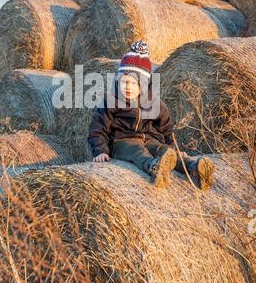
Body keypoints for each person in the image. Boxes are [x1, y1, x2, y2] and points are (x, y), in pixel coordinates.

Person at [88, 40, 214, 189]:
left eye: (134, 83)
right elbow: (97, 128)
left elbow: (166, 128)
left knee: (165, 151)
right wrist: (101, 151)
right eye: (124, 82)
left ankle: (194, 167)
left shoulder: (154, 103)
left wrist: (172, 147)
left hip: (148, 139)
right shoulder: (111, 101)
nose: (128, 87)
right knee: (137, 151)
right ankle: (153, 167)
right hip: (122, 142)